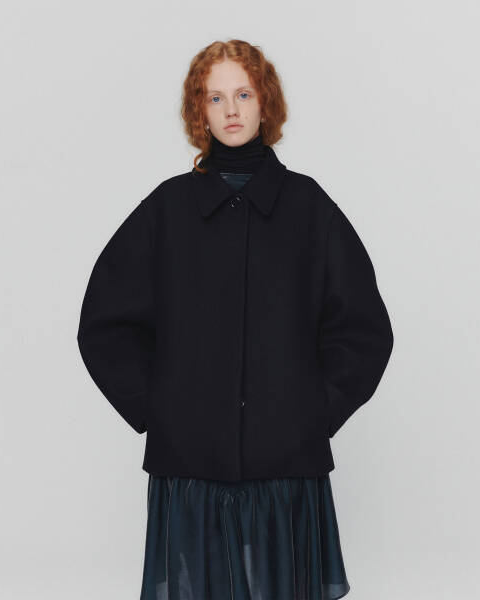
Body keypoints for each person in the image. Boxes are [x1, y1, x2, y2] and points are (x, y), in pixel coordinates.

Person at [77, 39, 393, 600]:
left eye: (243, 94)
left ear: (265, 103)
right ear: (198, 110)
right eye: (215, 97)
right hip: (190, 466)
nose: (230, 110)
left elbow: (364, 328)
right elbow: (104, 321)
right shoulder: (168, 208)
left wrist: (315, 411)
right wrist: (157, 409)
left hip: (286, 466)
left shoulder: (308, 206)